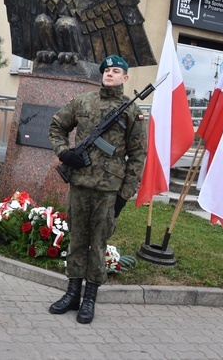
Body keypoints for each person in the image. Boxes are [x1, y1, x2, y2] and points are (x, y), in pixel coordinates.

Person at [47, 54, 147, 324]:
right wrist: (64, 153)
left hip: (108, 190)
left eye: (116, 71)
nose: (109, 74)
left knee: (97, 244)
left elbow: (138, 156)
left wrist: (125, 195)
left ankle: (89, 299)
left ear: (125, 78)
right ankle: (71, 294)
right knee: (77, 240)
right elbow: (56, 126)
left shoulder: (130, 111)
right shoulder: (83, 101)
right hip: (80, 183)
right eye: (106, 70)